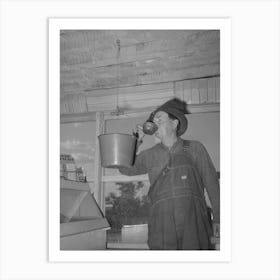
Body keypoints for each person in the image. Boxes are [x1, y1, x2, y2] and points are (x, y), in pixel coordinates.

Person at [118, 98, 220, 250]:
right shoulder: (150, 155)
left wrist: (219, 219)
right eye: (153, 120)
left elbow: (212, 184)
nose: (154, 123)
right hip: (161, 224)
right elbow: (125, 169)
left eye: (160, 118)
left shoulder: (195, 148)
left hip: (194, 221)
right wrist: (136, 141)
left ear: (174, 123)